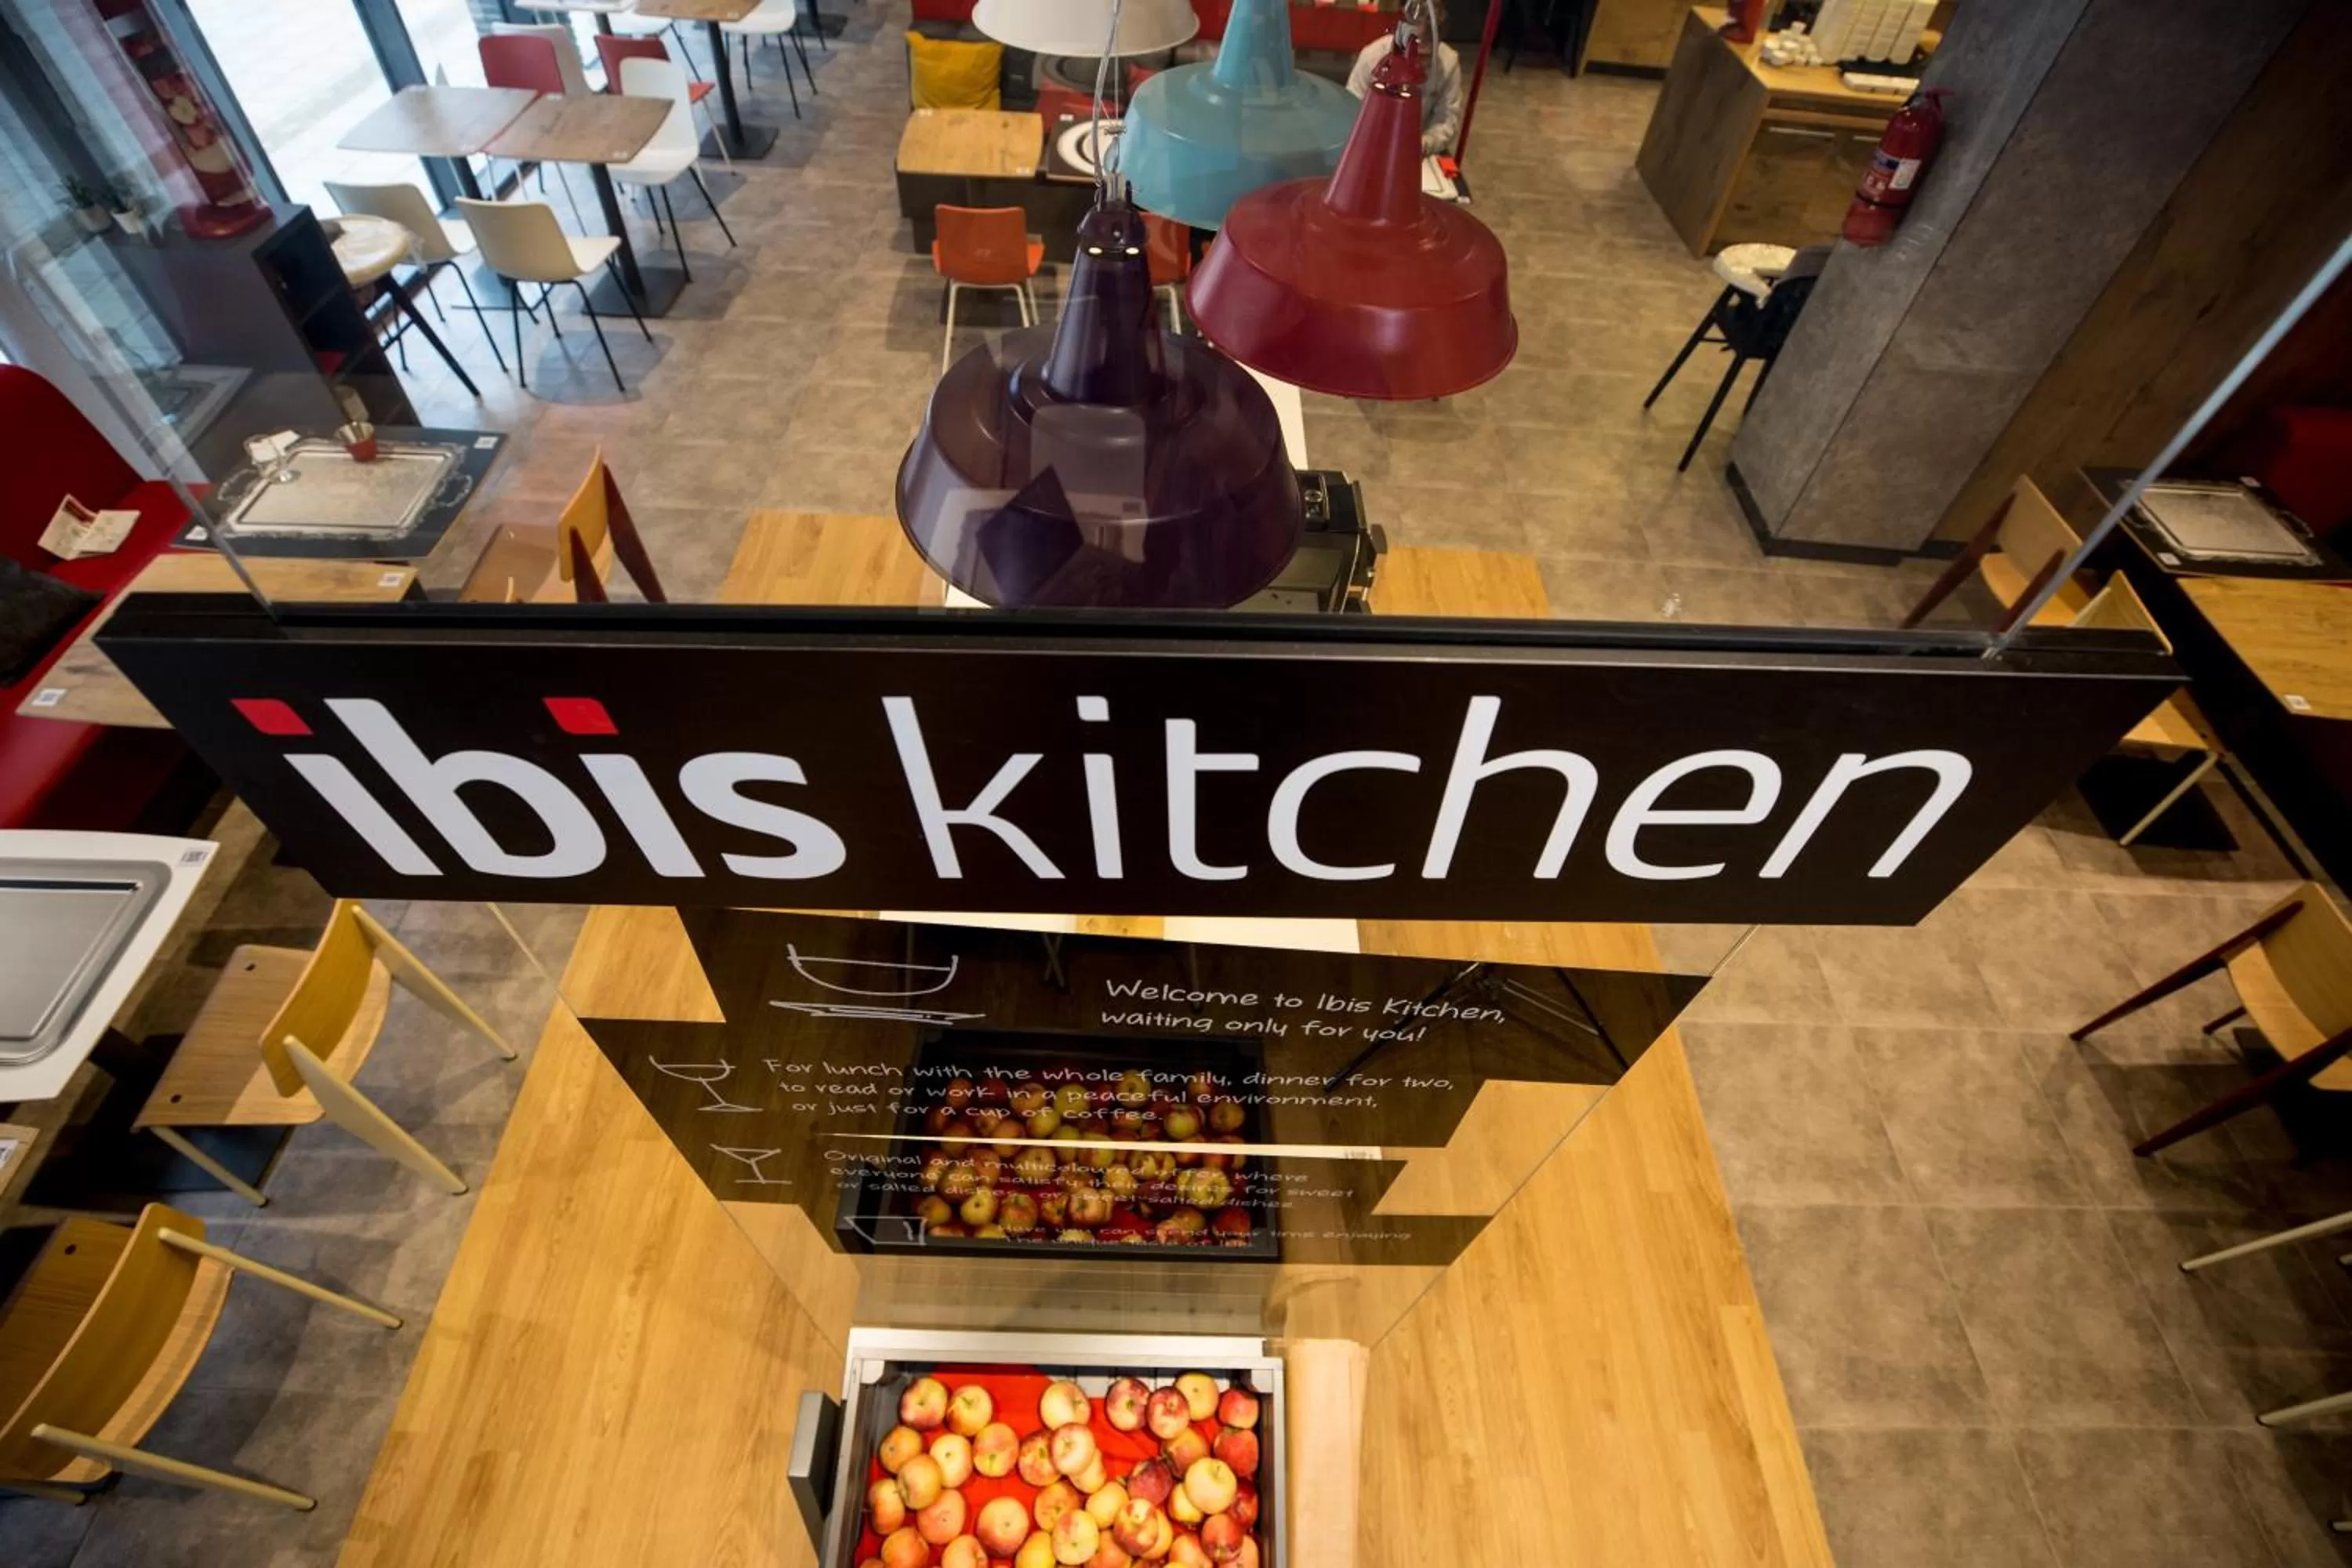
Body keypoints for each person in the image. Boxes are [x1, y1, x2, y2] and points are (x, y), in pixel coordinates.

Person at [1346, 3, 1465, 157]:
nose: (1418, 64)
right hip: (1369, 144)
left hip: (1417, 150)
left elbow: (1447, 118)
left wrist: (1426, 143)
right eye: (1415, 53)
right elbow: (1350, 107)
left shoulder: (1448, 63)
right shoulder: (1372, 56)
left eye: (1425, 56)